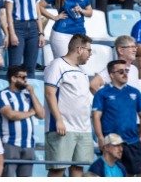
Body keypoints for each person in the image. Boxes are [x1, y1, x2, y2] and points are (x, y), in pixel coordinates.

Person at [44, 34, 101, 178]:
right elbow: (50, 93)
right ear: (79, 49)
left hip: (83, 129)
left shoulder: (82, 72)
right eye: (89, 50)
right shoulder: (57, 65)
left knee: (78, 170)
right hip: (63, 128)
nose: (90, 54)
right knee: (57, 170)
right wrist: (58, 120)